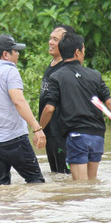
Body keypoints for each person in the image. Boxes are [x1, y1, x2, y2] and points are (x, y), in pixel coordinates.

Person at [41, 33, 111, 181]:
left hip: (76, 135)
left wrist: (38, 129)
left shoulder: (57, 77)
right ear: (77, 52)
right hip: (97, 135)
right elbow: (110, 103)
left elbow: (49, 108)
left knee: (80, 185)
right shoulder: (95, 75)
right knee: (91, 182)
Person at [0, 34, 46, 186]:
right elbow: (18, 101)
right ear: (5, 54)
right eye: (15, 51)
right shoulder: (9, 71)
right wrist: (37, 128)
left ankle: (4, 210)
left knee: (1, 186)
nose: (18, 54)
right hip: (14, 139)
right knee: (36, 182)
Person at [38, 24, 76, 174]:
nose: (50, 42)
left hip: (61, 134)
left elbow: (51, 107)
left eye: (55, 39)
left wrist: (37, 129)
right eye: (50, 38)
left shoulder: (65, 70)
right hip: (50, 134)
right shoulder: (52, 65)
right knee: (56, 176)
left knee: (66, 177)